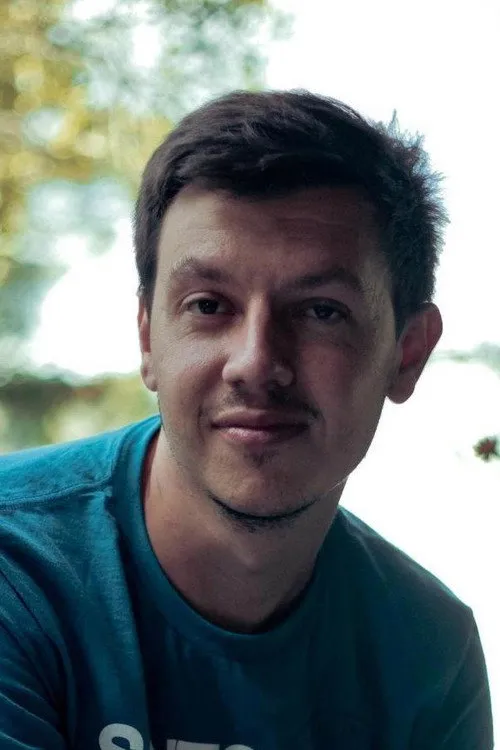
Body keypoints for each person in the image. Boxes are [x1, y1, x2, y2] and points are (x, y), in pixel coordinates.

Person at [0, 90, 493, 750]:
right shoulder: (16, 568)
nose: (256, 363)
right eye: (209, 305)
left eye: (320, 311)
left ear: (407, 353)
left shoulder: (429, 655)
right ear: (148, 337)